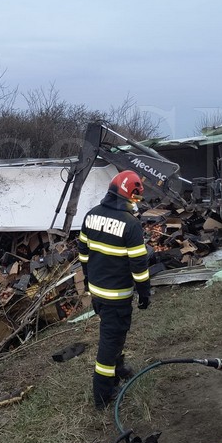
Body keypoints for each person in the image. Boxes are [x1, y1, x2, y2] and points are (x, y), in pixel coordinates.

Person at [77, 170, 151, 410]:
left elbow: (83, 253)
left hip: (97, 292)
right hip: (117, 296)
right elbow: (139, 265)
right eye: (135, 198)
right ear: (128, 195)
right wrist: (144, 292)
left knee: (115, 334)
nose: (135, 203)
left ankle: (118, 369)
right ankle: (103, 393)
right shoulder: (131, 225)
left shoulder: (90, 216)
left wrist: (89, 280)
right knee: (110, 341)